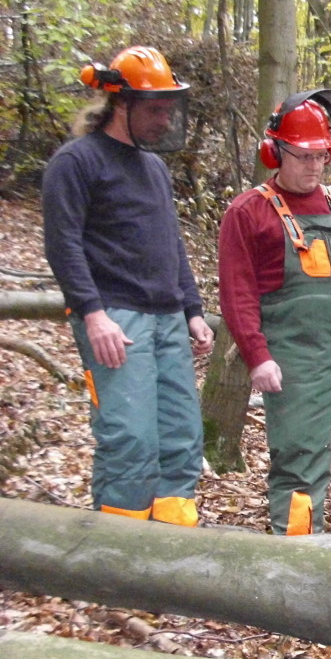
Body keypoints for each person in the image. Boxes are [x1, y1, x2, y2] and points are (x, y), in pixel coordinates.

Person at [217, 89, 331, 543]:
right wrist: (257, 356)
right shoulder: (250, 211)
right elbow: (237, 293)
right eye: (302, 157)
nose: (313, 167)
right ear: (274, 152)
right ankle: (298, 559)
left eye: (321, 156)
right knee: (300, 454)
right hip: (296, 354)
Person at [42, 45, 214, 525]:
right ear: (122, 105)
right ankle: (120, 554)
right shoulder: (77, 162)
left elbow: (171, 243)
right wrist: (93, 315)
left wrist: (193, 311)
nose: (164, 120)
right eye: (155, 110)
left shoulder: (155, 168)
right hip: (115, 318)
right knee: (131, 437)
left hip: (167, 318)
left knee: (181, 435)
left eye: (167, 109)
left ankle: (171, 543)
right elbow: (63, 245)